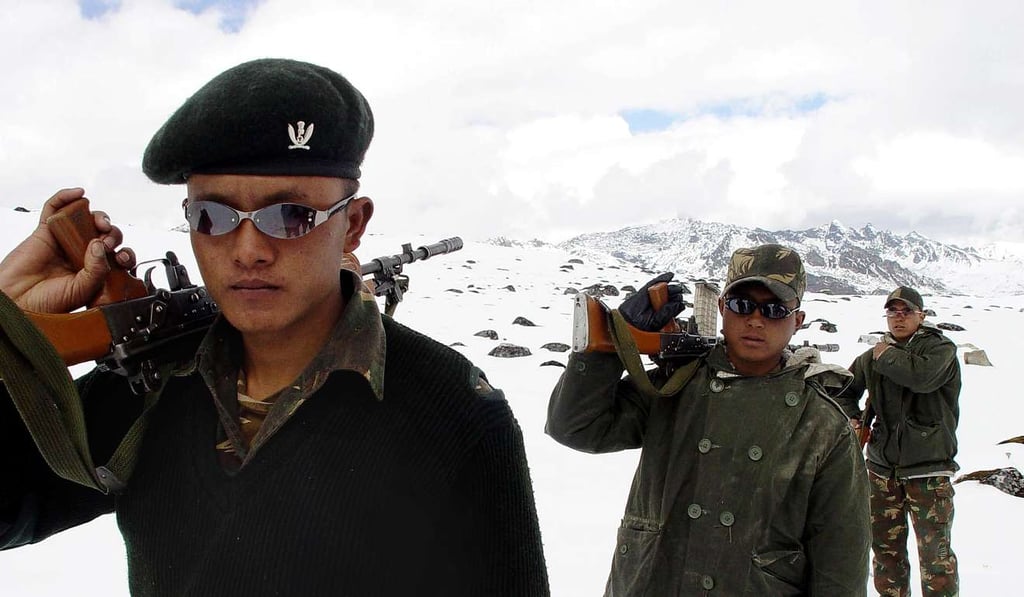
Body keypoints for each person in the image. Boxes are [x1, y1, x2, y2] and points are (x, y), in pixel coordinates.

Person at [0, 58, 549, 596]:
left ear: (352, 225)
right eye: (212, 217)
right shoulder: (153, 381)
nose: (249, 251)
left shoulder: (452, 411)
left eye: (290, 216)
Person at [546, 243, 870, 596]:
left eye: (774, 309)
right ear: (722, 307)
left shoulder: (822, 425)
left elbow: (841, 564)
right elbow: (576, 427)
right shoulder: (676, 384)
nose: (756, 319)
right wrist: (611, 346)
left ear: (798, 320)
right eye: (741, 304)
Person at [835, 286, 960, 597]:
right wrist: (853, 417)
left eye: (906, 311)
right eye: (893, 311)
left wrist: (887, 356)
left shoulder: (940, 350)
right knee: (886, 555)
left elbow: (922, 377)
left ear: (922, 315)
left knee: (936, 560)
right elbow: (844, 390)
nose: (899, 317)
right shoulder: (873, 356)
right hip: (881, 472)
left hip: (929, 472)